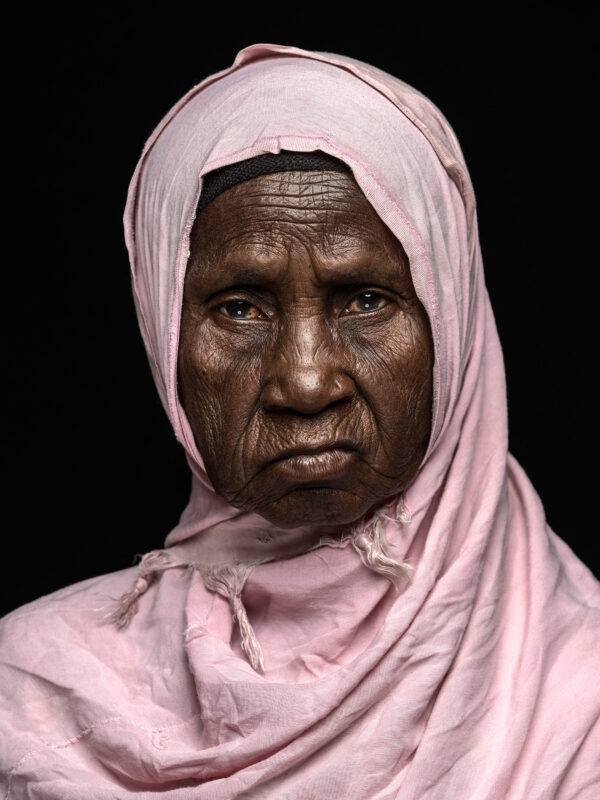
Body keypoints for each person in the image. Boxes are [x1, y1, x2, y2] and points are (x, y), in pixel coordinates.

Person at [1, 43, 598, 799]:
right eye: (240, 308)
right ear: (162, 334)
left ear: (452, 322)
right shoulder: (29, 697)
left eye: (367, 299)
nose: (307, 381)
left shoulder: (582, 703)